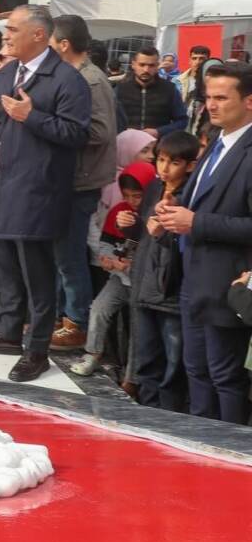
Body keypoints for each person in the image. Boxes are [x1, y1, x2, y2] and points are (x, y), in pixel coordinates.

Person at [0, 5, 91, 383]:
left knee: (37, 272)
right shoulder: (7, 73)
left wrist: (31, 116)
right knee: (3, 264)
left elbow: (77, 134)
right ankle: (7, 331)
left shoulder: (67, 79)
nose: (6, 36)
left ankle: (37, 349)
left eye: (13, 29)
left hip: (37, 189)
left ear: (38, 34)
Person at [158, 62, 252, 424]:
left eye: (221, 98)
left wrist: (196, 222)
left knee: (224, 375)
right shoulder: (217, 140)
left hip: (226, 280)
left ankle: (231, 447)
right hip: (193, 276)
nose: (211, 105)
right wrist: (173, 210)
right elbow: (202, 199)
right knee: (196, 369)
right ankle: (200, 439)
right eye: (208, 97)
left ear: (248, 101)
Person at [48, 15, 118, 351]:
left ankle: (76, 322)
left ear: (64, 44)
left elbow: (101, 131)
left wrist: (55, 127)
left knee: (69, 255)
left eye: (50, 43)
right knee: (59, 255)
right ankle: (60, 317)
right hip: (68, 178)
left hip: (82, 180)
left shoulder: (90, 80)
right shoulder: (72, 76)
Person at [117, 131, 200, 409]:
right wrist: (128, 225)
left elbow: (185, 243)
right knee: (146, 359)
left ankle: (169, 416)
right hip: (145, 283)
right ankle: (147, 412)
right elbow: (145, 233)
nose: (164, 168)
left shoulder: (192, 195)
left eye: (174, 162)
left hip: (171, 290)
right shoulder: (153, 187)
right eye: (161, 160)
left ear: (190, 165)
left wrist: (162, 234)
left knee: (173, 364)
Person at [69, 163, 155, 378]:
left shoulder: (155, 215)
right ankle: (93, 354)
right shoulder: (119, 211)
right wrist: (108, 260)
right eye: (127, 196)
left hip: (144, 283)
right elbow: (106, 244)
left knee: (137, 327)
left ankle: (132, 376)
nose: (132, 201)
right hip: (119, 278)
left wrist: (130, 265)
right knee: (99, 308)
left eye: (138, 196)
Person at [115, 47, 188, 137]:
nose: (146, 70)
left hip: (159, 143)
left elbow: (182, 121)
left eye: (151, 65)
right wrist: (124, 131)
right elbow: (109, 119)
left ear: (157, 66)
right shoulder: (120, 89)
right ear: (133, 65)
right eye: (142, 65)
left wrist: (159, 132)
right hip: (125, 142)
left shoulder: (170, 89)